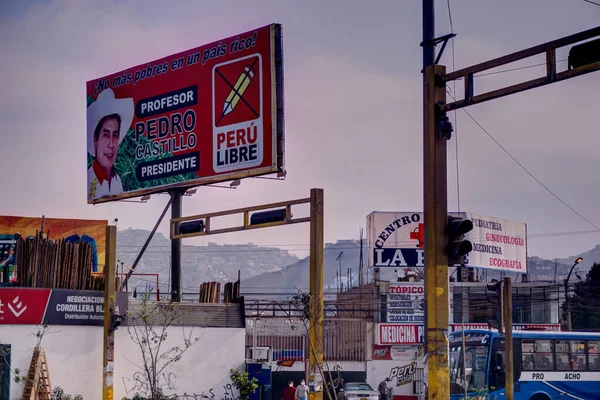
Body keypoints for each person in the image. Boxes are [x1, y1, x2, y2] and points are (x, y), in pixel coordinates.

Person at [87, 88, 134, 201]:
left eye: (115, 135)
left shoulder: (117, 180)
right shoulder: (90, 179)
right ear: (95, 140)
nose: (111, 144)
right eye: (106, 135)